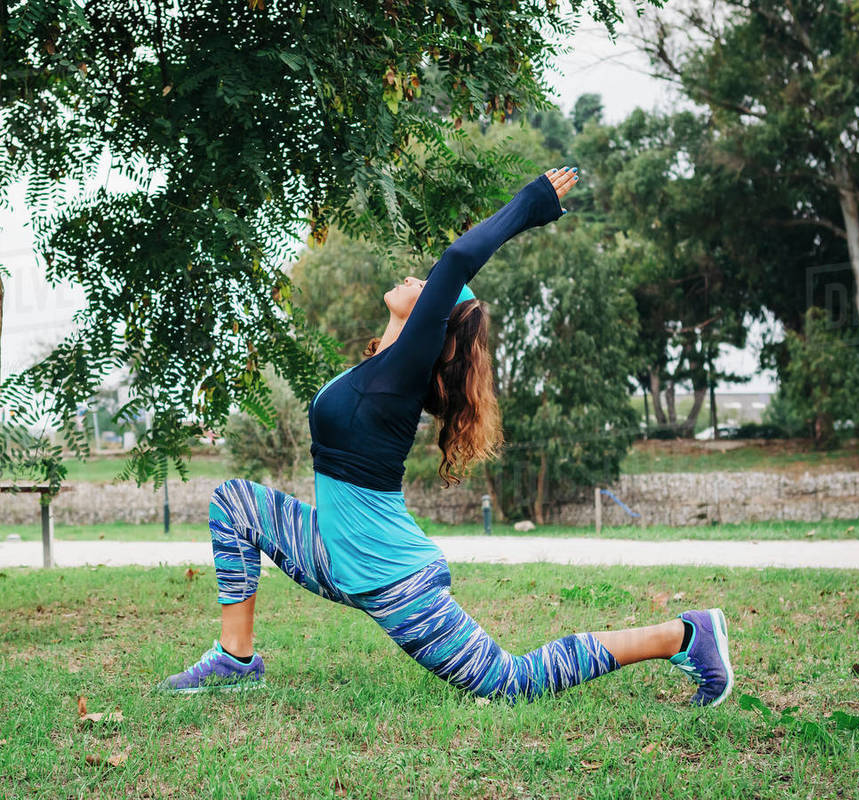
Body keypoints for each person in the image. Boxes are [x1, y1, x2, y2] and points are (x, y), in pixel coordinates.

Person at [158, 167, 734, 705]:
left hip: (392, 577)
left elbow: (458, 258)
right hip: (335, 556)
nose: (416, 276)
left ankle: (685, 635)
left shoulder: (405, 367)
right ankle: (235, 659)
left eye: (428, 283)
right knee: (233, 503)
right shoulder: (380, 366)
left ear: (434, 317)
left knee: (512, 683)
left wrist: (531, 203)